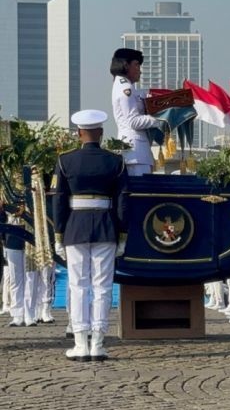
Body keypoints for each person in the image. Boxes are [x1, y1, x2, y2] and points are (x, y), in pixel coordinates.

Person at [52, 109, 128, 361]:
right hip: (106, 226)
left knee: (78, 286)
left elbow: (59, 200)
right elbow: (123, 201)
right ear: (101, 133)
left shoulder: (65, 160)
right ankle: (97, 343)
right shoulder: (115, 161)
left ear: (79, 133)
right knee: (103, 286)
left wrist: (58, 233)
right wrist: (122, 234)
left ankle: (80, 344)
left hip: (75, 227)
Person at [111, 48, 163, 176]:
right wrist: (161, 118)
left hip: (134, 152)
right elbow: (133, 121)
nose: (140, 70)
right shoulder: (126, 88)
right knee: (140, 187)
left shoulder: (125, 86)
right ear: (126, 65)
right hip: (135, 152)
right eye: (137, 65)